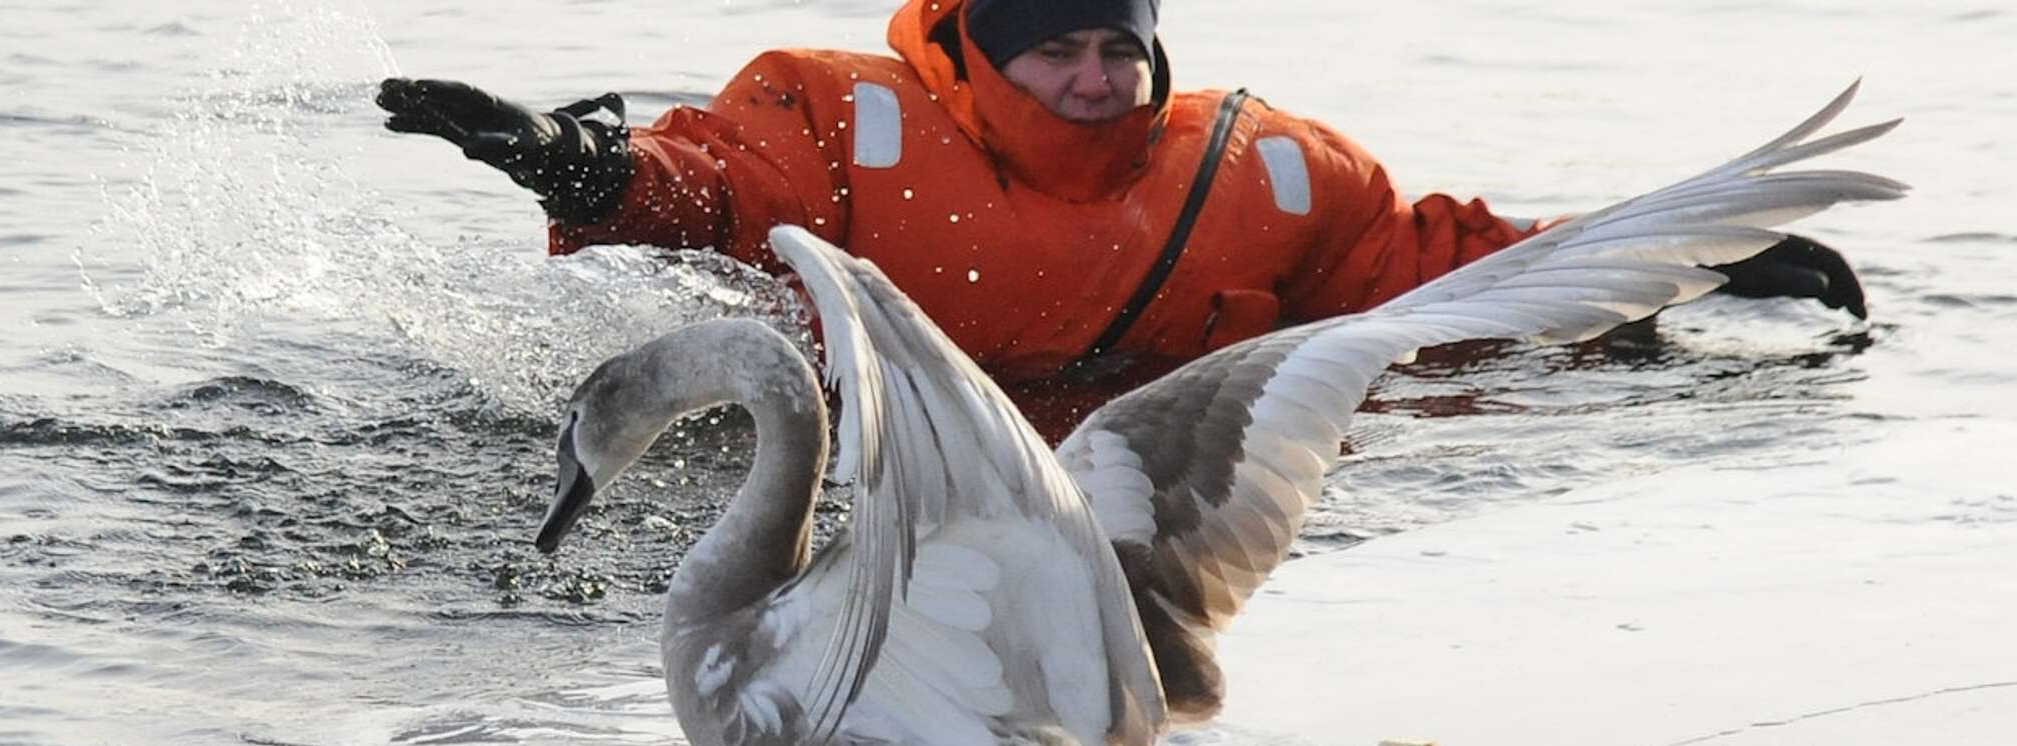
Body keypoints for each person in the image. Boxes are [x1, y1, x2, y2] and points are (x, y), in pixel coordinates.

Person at [376, 0, 1867, 399]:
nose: (1094, 81)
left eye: (1120, 50)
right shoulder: (835, 114)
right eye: (1057, 49)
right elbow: (702, 193)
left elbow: (1418, 273)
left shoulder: (1268, 165)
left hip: (1128, 468)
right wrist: (558, 158)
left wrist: (1685, 260)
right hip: (889, 463)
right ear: (979, 47)